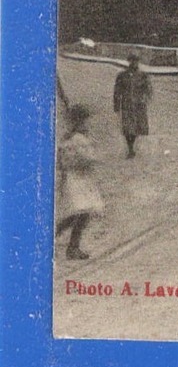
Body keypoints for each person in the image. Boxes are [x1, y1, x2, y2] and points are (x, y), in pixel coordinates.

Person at [56, 101, 103, 260]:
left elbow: (60, 161)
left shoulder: (69, 138)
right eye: (86, 120)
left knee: (81, 212)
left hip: (76, 177)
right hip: (79, 178)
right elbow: (85, 159)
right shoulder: (79, 139)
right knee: (83, 212)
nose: (88, 124)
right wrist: (93, 158)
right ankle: (71, 246)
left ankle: (59, 236)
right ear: (80, 121)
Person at [112, 52, 152, 158]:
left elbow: (148, 90)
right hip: (127, 105)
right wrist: (116, 105)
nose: (134, 63)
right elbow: (117, 91)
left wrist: (144, 99)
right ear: (129, 61)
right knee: (128, 128)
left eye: (136, 61)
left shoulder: (143, 76)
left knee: (137, 127)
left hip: (139, 105)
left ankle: (133, 145)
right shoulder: (122, 75)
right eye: (132, 61)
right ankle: (130, 149)